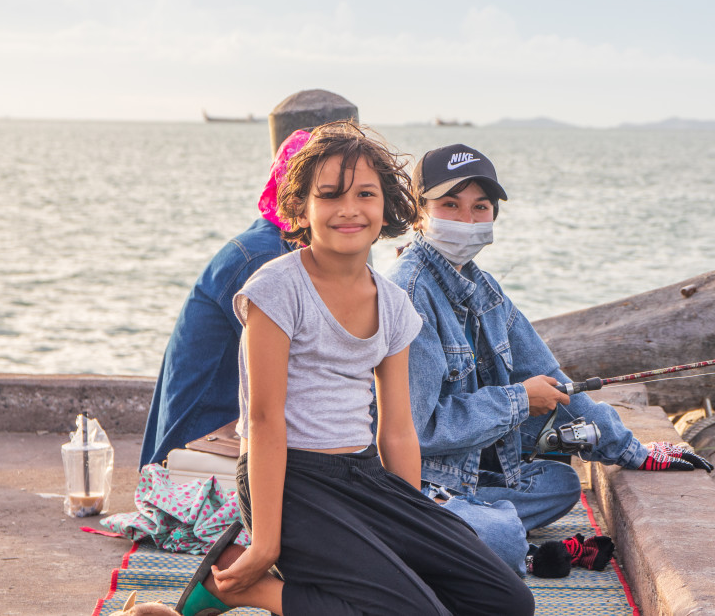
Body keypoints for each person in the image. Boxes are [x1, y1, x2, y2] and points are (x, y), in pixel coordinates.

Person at [175, 123, 534, 616]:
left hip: (364, 476)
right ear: (300, 208)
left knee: (507, 602)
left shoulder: (394, 304)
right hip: (292, 480)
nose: (349, 209)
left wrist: (408, 528)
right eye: (330, 195)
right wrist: (266, 544)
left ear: (387, 206)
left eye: (365, 194)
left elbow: (399, 432)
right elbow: (262, 421)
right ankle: (241, 588)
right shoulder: (277, 289)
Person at [386, 144, 713, 577]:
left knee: (560, 486)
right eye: (450, 205)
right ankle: (483, 538)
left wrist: (633, 451)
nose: (467, 221)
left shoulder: (484, 289)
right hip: (408, 484)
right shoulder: (409, 294)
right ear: (418, 213)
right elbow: (418, 428)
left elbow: (555, 382)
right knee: (500, 540)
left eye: (480, 207)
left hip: (464, 474)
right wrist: (520, 400)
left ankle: (466, 529)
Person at [140, 130, 312, 469]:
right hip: (189, 463)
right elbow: (302, 376)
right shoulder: (264, 258)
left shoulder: (273, 242)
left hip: (216, 443)